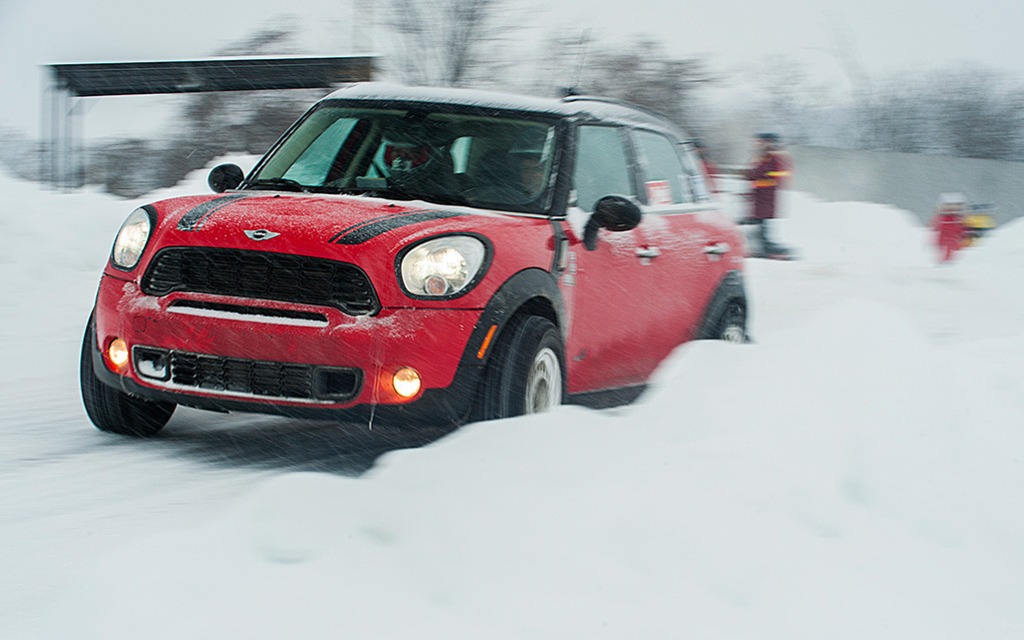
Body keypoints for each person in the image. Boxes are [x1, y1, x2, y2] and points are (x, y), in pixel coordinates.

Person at [744, 132, 792, 257]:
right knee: (760, 225)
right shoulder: (762, 155)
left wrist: (756, 176)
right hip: (759, 196)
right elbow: (753, 171)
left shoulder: (773, 156)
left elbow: (773, 174)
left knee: (763, 224)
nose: (757, 144)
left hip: (766, 196)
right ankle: (763, 248)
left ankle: (767, 249)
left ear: (768, 142)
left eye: (760, 141)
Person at [932, 192, 967, 263]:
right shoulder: (943, 218)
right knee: (947, 251)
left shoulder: (957, 218)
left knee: (949, 251)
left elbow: (961, 228)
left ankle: (947, 261)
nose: (952, 209)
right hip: (948, 238)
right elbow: (936, 227)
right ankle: (946, 262)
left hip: (952, 238)